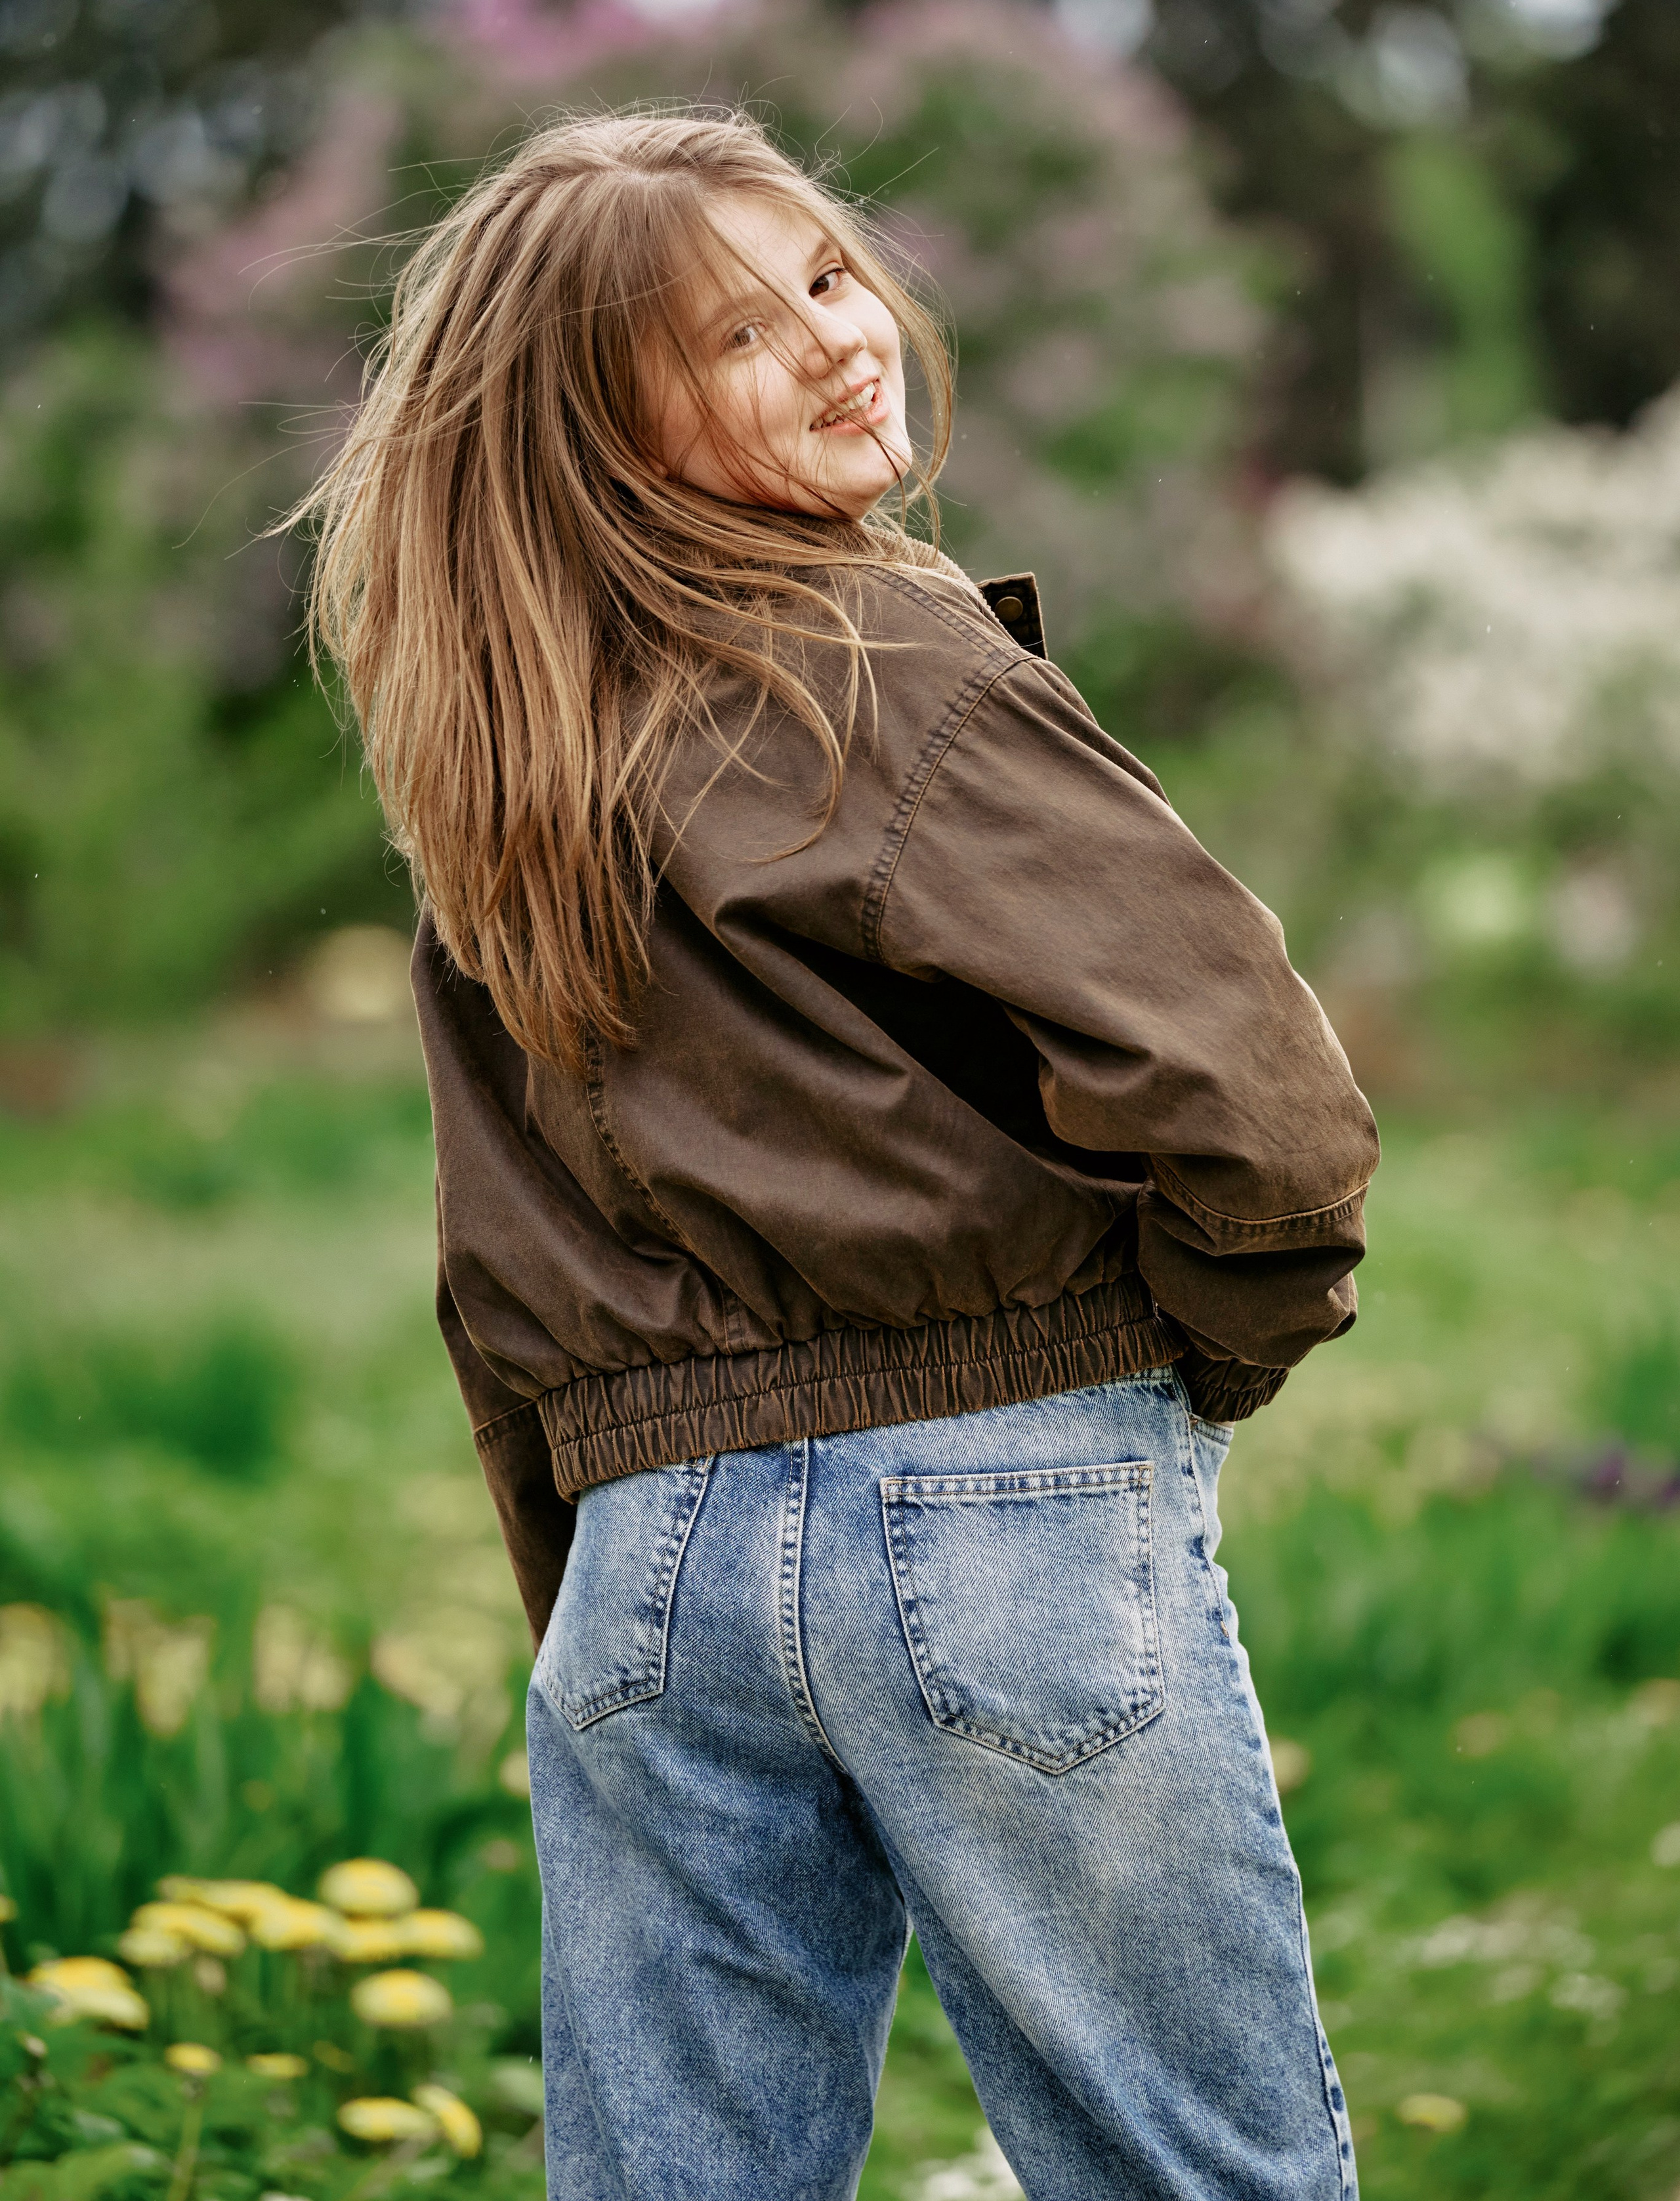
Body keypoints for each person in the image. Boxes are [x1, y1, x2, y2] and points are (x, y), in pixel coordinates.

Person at [305, 108, 1377, 2201]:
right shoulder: (888, 656)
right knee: (1196, 2171)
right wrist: (1181, 1368)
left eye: (821, 276)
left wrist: (598, 1557)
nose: (835, 338)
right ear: (599, 430)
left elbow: (490, 1265)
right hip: (1006, 1489)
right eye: (732, 337)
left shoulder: (506, 777)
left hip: (646, 1574)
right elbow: (1264, 1106)